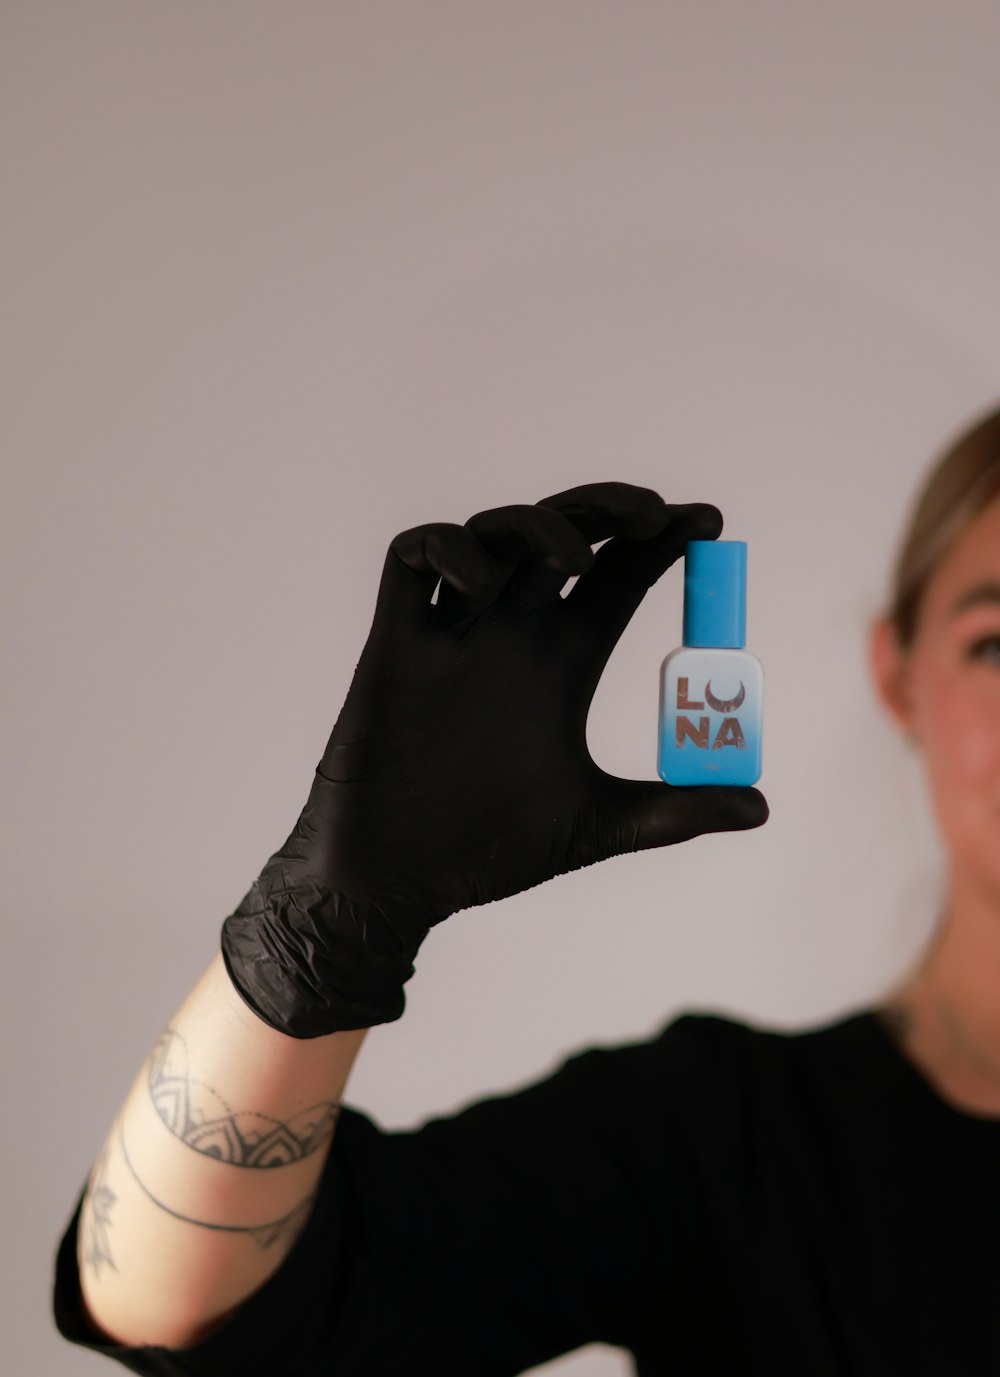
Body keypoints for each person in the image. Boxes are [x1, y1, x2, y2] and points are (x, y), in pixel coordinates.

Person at [51, 412, 1000, 1375]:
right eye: (996, 644)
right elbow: (171, 1308)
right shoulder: (729, 1142)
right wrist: (318, 938)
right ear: (899, 672)